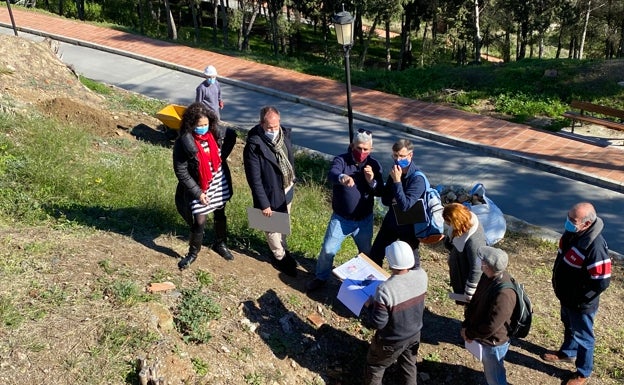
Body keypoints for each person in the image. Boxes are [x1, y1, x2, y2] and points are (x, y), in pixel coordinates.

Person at [540, 202, 611, 385]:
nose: (568, 222)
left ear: (586, 224)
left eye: (573, 220)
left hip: (581, 304)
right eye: (568, 217)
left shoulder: (595, 247)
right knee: (569, 325)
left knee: (584, 338)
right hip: (567, 297)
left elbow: (601, 281)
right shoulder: (573, 233)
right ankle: (568, 352)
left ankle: (583, 373)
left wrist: (580, 299)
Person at [305, 129, 384, 291]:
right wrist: (342, 178)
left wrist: (371, 181)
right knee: (328, 249)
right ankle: (321, 277)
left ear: (371, 150)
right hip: (341, 219)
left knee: (366, 253)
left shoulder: (374, 165)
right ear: (352, 145)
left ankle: (364, 285)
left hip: (364, 221)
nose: (362, 152)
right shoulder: (342, 160)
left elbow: (380, 191)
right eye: (359, 148)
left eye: (366, 149)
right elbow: (333, 173)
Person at [173, 102, 236, 270]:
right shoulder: (183, 143)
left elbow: (232, 135)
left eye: (206, 124)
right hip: (199, 186)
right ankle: (193, 253)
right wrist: (198, 193)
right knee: (199, 220)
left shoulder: (216, 135)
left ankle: (220, 243)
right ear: (191, 124)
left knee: (220, 212)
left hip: (217, 181)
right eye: (199, 125)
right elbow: (181, 172)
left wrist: (220, 160)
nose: (203, 128)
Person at [363, 240, 428, 385]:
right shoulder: (422, 275)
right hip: (414, 334)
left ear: (391, 263)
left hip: (391, 340)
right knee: (409, 366)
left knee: (376, 367)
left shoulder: (385, 289)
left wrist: (369, 306)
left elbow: (378, 323)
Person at [243, 106, 298, 277]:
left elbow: (289, 160)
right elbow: (254, 179)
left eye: (276, 126)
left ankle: (284, 248)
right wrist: (263, 204)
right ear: (261, 124)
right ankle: (279, 256)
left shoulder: (284, 136)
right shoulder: (254, 146)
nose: (274, 130)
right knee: (272, 227)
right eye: (270, 128)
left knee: (284, 222)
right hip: (269, 193)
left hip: (286, 188)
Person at [461, 246, 516, 385]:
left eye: (482, 260)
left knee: (495, 378)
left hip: (493, 343)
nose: (480, 262)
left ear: (487, 265)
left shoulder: (505, 294)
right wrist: (467, 323)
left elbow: (491, 326)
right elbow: (476, 300)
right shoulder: (488, 276)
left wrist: (470, 333)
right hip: (484, 337)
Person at [368, 139, 427, 267]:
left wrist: (397, 182)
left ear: (410, 155)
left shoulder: (417, 179)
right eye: (395, 156)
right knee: (375, 254)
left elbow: (405, 206)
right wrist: (396, 195)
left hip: (409, 226)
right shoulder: (395, 171)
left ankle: (414, 285)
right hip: (391, 220)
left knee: (411, 262)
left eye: (401, 156)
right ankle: (374, 283)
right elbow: (385, 199)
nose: (398, 159)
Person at [442, 203, 487, 302]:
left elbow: (477, 268)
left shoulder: (474, 241)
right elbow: (452, 239)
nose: (447, 225)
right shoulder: (463, 223)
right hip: (459, 269)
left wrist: (468, 294)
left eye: (448, 223)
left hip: (466, 278)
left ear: (456, 222)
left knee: (471, 309)